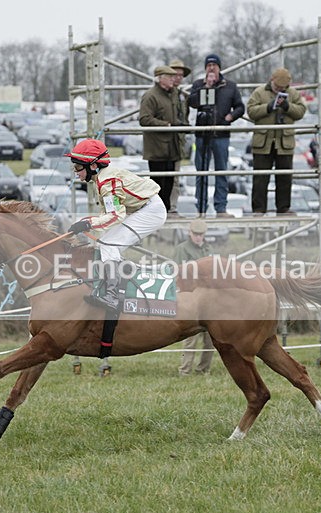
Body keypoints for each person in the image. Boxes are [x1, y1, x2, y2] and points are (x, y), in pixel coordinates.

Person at [64, 139, 166, 310]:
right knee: (105, 242)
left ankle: (113, 295)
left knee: (108, 243)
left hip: (151, 212)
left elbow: (115, 216)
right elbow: (108, 215)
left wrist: (88, 224)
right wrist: (85, 222)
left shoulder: (107, 182)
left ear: (94, 166)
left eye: (78, 168)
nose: (76, 173)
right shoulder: (102, 178)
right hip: (142, 209)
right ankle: (115, 281)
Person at [187, 53, 245, 216]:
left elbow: (240, 107)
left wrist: (230, 117)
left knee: (221, 172)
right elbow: (192, 102)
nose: (211, 68)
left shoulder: (230, 86)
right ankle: (201, 208)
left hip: (221, 135)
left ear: (219, 68)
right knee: (201, 173)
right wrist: (205, 87)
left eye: (214, 65)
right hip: (202, 135)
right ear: (205, 69)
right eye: (208, 65)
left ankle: (221, 207)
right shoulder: (198, 84)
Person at [246, 67, 307, 214]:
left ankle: (283, 208)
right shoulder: (259, 92)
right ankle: (259, 210)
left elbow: (301, 111)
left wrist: (287, 107)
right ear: (271, 80)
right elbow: (251, 111)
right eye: (278, 86)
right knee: (260, 178)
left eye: (283, 87)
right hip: (263, 142)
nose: (280, 89)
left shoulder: (293, 93)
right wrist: (267, 107)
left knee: (285, 177)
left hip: (284, 142)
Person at [173, 219, 215, 375]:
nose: (198, 237)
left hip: (209, 298)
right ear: (189, 233)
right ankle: (185, 370)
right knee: (190, 338)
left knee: (210, 339)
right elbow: (179, 273)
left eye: (201, 234)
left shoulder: (208, 249)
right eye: (196, 234)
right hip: (191, 298)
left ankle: (204, 369)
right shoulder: (181, 249)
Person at [139, 65, 182, 211]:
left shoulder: (172, 95)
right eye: (169, 77)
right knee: (158, 184)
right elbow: (144, 119)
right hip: (157, 148)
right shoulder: (150, 96)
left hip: (171, 147)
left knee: (169, 183)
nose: (173, 79)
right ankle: (157, 212)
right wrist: (165, 125)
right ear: (160, 78)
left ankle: (166, 210)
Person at [169, 59, 192, 215]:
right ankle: (163, 207)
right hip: (163, 142)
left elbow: (186, 117)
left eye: (180, 75)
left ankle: (173, 207)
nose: (178, 78)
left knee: (175, 178)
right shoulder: (162, 94)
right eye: (175, 74)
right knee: (161, 177)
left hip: (177, 141)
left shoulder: (183, 96)